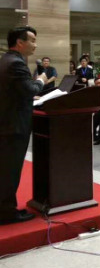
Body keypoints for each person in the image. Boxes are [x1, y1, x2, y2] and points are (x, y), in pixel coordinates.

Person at [0, 26, 46, 225]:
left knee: (5, 169)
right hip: (13, 126)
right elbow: (29, 89)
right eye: (32, 40)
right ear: (20, 42)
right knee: (10, 171)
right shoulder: (16, 64)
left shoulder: (5, 60)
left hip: (6, 123)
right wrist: (40, 81)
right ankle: (6, 212)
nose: (35, 45)